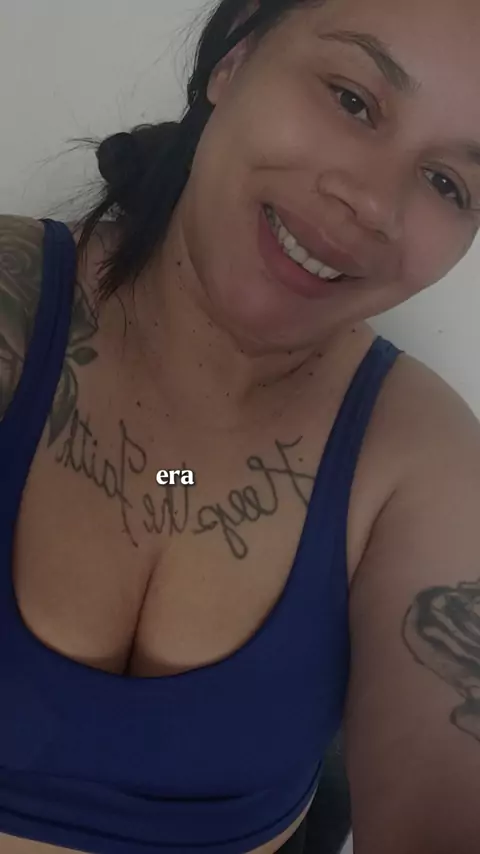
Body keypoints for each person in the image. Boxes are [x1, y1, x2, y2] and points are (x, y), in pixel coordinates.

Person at [1, 0, 480, 852]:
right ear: (235, 56)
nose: (373, 203)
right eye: (352, 99)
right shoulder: (13, 307)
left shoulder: (425, 461)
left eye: (450, 184)